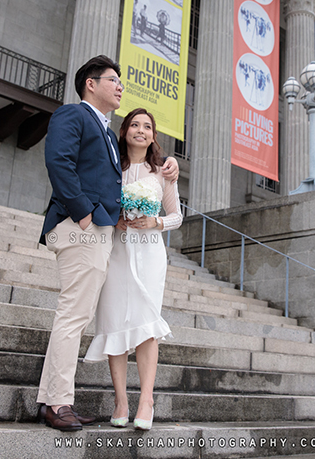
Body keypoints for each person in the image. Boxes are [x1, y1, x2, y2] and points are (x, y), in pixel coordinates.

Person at [36, 56, 178, 431]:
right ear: (91, 84)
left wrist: (168, 167)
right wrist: (85, 215)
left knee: (76, 316)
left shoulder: (105, 132)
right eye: (113, 80)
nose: (119, 87)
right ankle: (57, 403)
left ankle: (53, 399)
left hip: (106, 235)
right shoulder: (73, 115)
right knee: (73, 316)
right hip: (80, 229)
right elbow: (59, 163)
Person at [84, 108, 183, 432]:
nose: (141, 130)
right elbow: (97, 203)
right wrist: (114, 219)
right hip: (117, 252)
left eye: (147, 127)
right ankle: (121, 400)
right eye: (135, 125)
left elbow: (176, 216)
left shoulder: (162, 173)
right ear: (125, 131)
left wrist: (155, 221)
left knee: (146, 325)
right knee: (113, 321)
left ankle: (146, 400)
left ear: (153, 135)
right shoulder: (112, 169)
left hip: (150, 255)